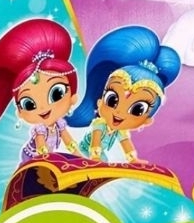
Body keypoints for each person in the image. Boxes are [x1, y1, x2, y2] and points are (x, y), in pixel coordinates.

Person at [69, 26, 180, 163]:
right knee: (103, 161)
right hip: (86, 151)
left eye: (137, 110)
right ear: (100, 102)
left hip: (98, 155)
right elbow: (95, 143)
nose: (119, 112)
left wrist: (133, 159)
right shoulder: (100, 123)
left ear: (147, 120)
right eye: (112, 100)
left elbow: (126, 145)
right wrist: (95, 157)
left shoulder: (120, 131)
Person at [0, 19, 80, 162]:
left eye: (57, 93)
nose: (43, 108)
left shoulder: (59, 124)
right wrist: (48, 161)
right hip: (32, 157)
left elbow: (69, 142)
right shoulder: (40, 129)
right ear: (19, 112)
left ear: (73, 98)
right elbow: (41, 148)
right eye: (29, 104)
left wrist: (79, 156)